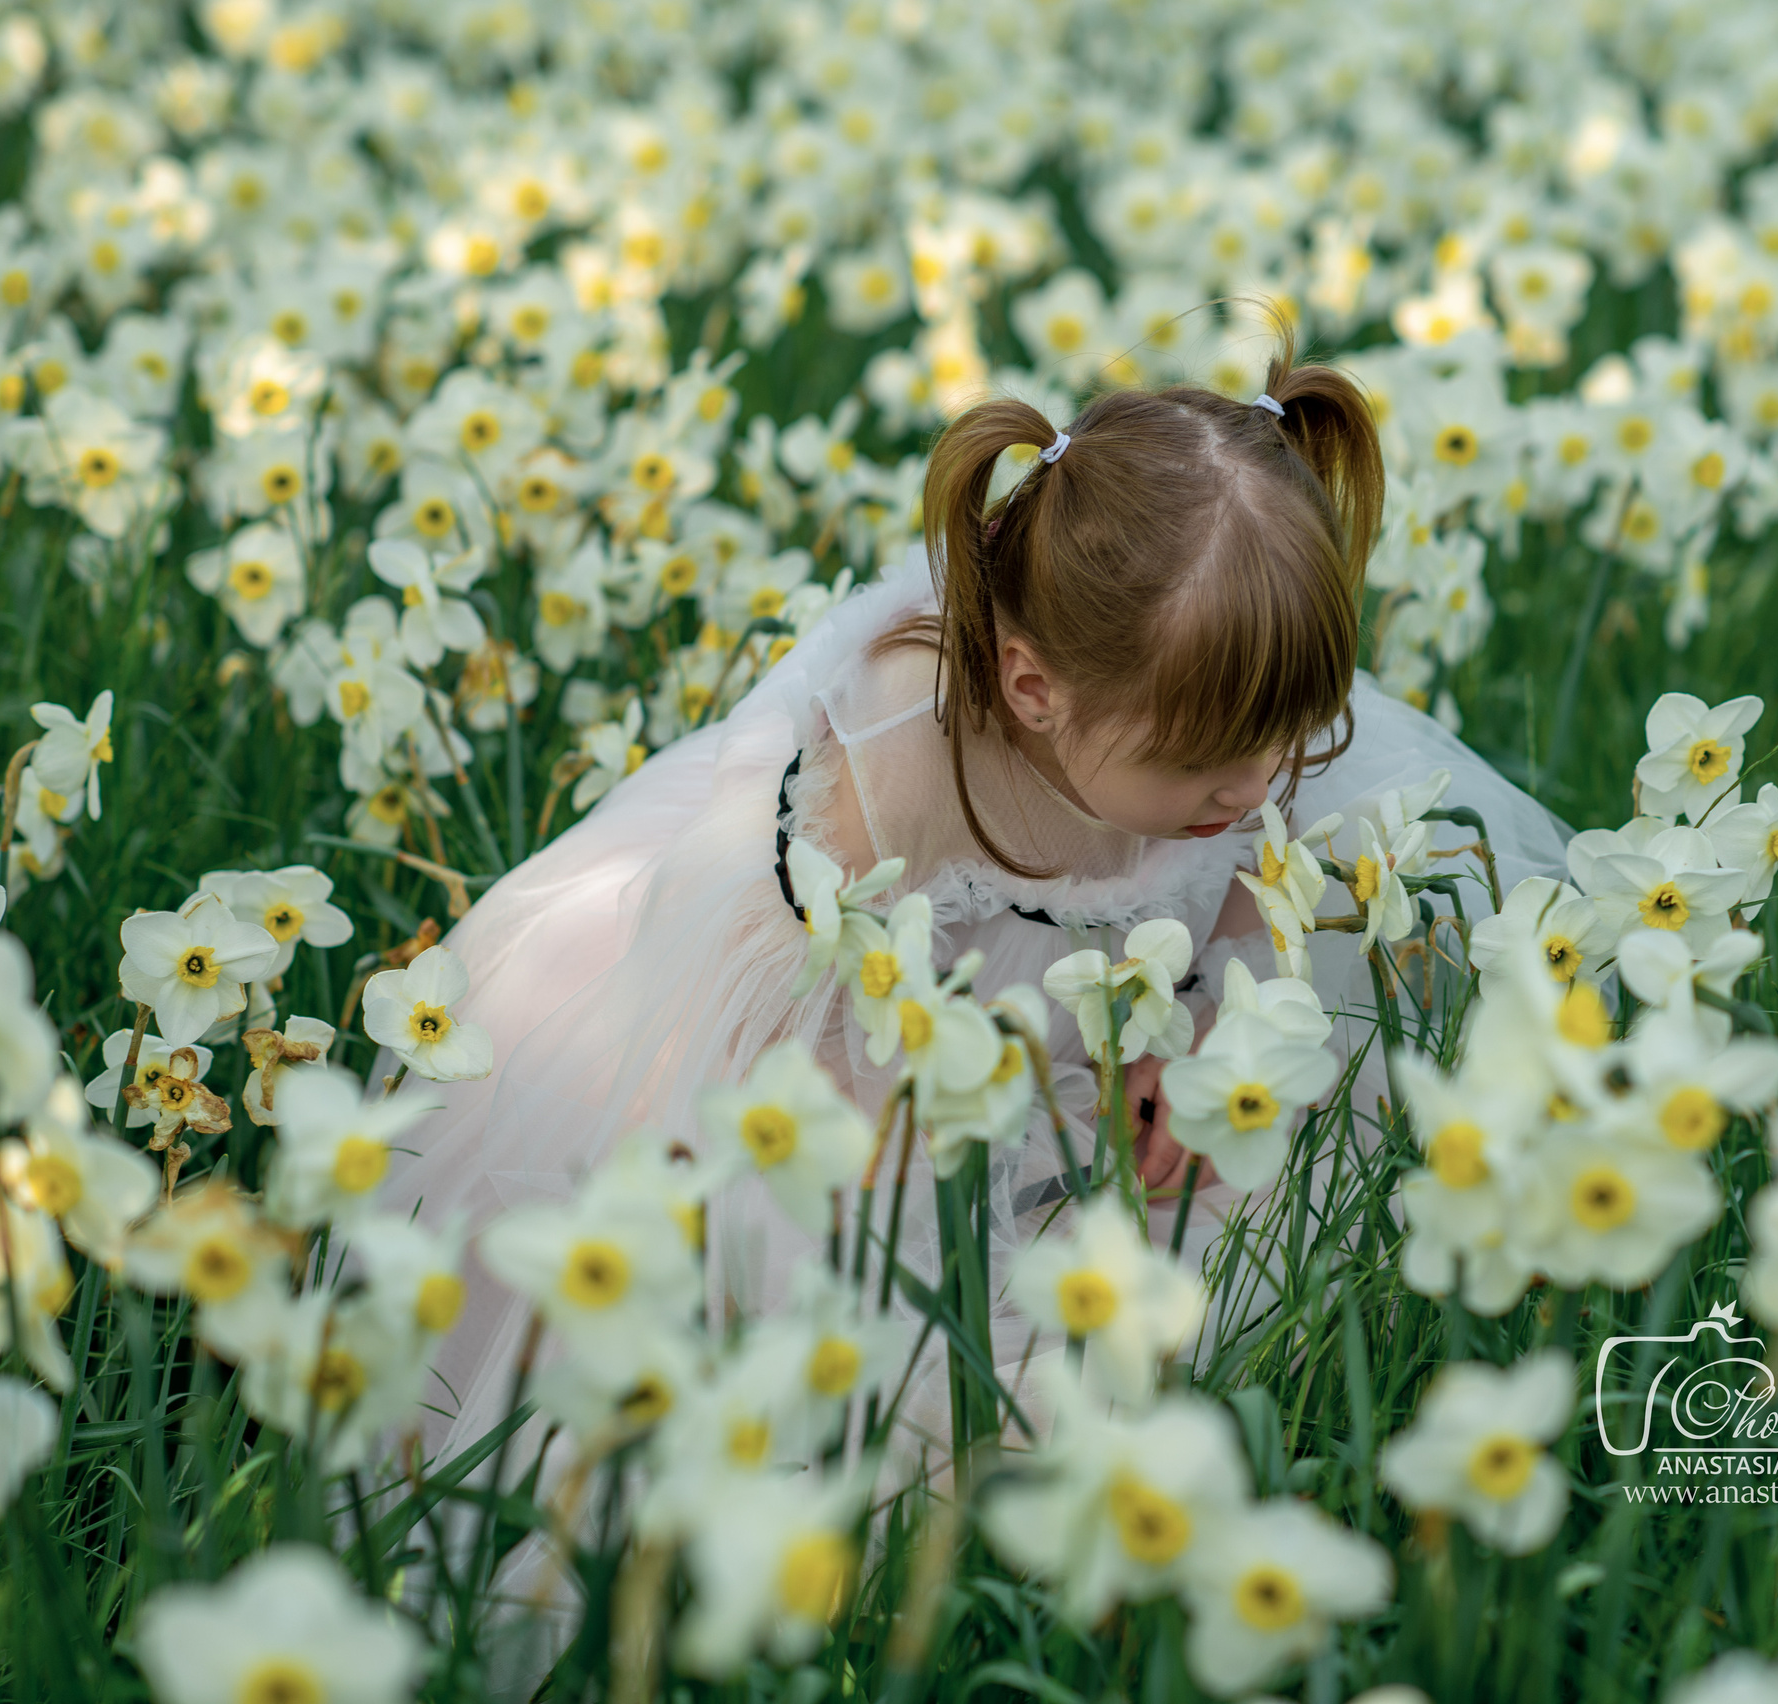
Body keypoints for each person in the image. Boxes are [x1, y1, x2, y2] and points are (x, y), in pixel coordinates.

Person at [375, 330, 1574, 1481]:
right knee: (844, 1349)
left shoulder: (1225, 729)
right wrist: (928, 1184)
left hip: (1084, 993)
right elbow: (813, 1015)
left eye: (1282, 742)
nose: (1256, 785)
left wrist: (1209, 1017)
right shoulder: (902, 762)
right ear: (1033, 688)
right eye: (1209, 763)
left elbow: (1277, 853)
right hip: (853, 1029)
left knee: (1308, 1152)